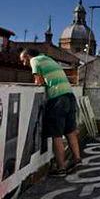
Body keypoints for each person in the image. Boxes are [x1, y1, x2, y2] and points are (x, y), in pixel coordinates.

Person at [20, 48, 81, 177]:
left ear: (27, 56)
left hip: (58, 98)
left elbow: (39, 82)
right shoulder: (49, 59)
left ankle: (61, 168)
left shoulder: (35, 61)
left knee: (56, 135)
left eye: (23, 60)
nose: (23, 63)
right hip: (69, 96)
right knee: (70, 131)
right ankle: (77, 159)